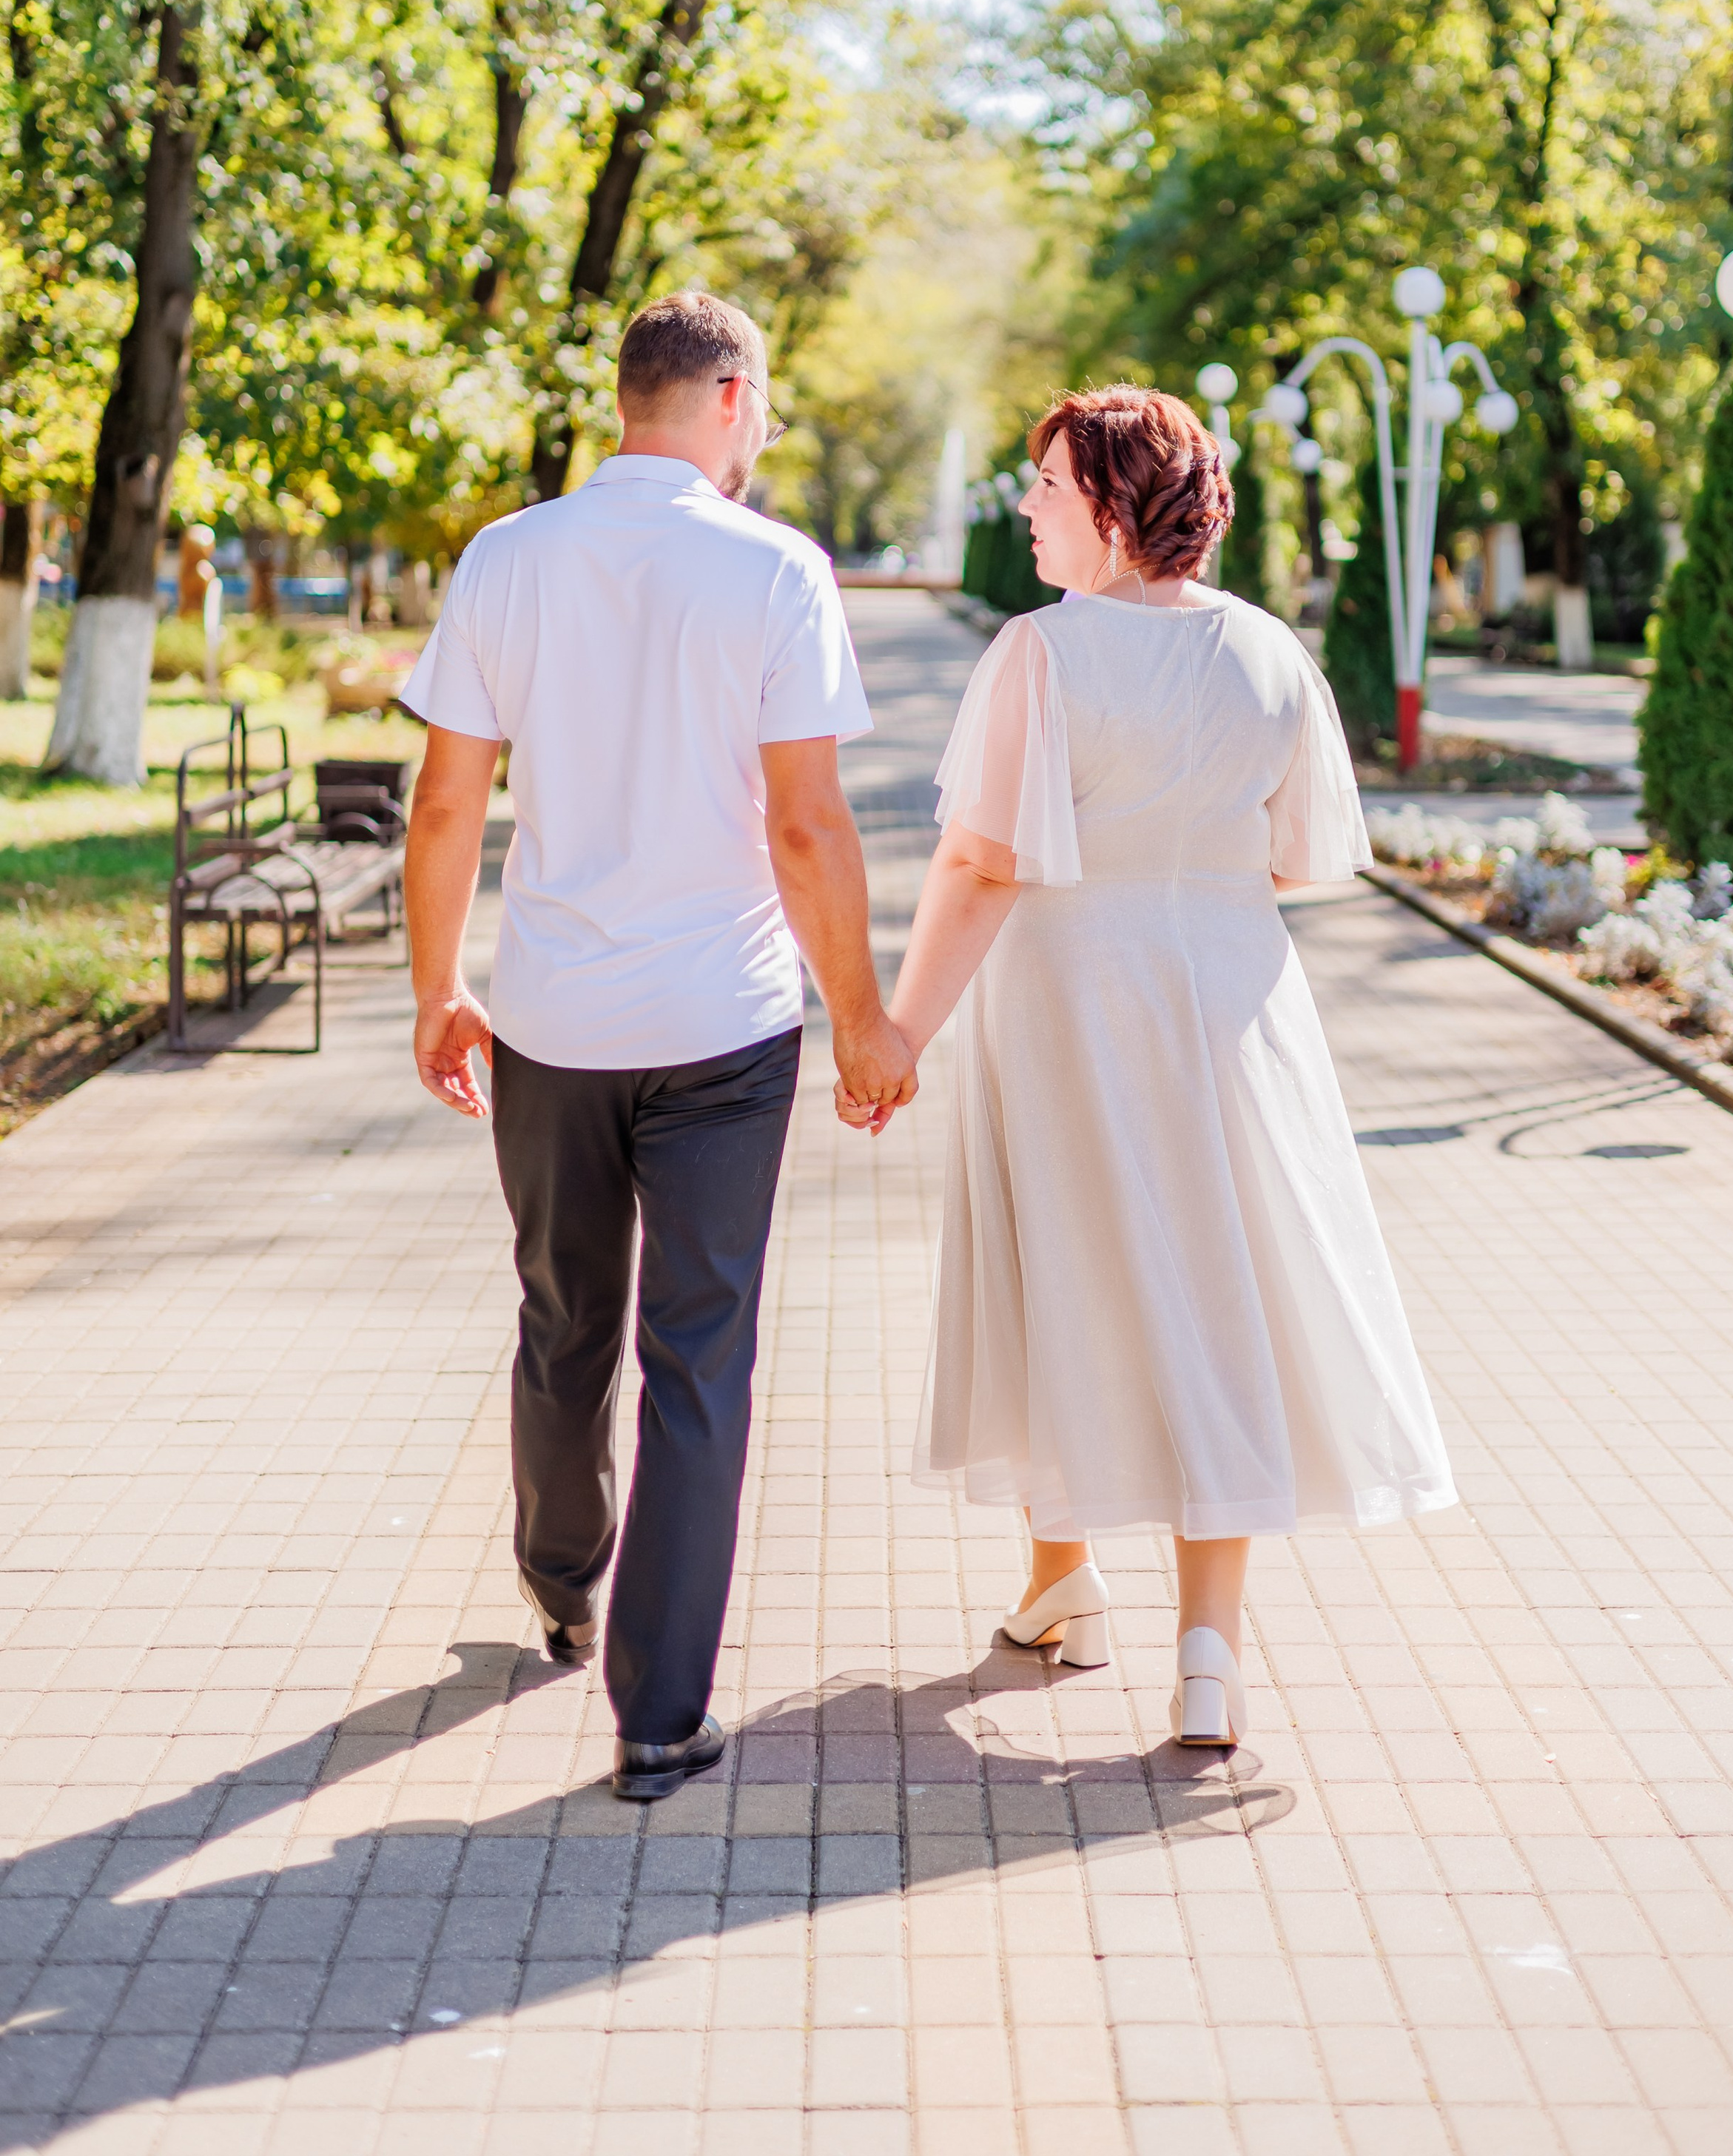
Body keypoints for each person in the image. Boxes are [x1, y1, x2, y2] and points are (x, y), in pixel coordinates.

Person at [841, 385, 1454, 1747]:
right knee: (1215, 1288)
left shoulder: (1041, 655)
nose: (1030, 508)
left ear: (1114, 511)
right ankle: (1198, 1651)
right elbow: (1305, 857)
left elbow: (980, 859)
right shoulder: (1273, 653)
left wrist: (898, 1035)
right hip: (1234, 1000)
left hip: (1067, 996)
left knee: (1059, 1265)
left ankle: (1070, 1576)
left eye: (1050, 487)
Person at [401, 290, 916, 1801]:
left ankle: (560, 1582)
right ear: (733, 397)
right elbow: (807, 822)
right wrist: (863, 1015)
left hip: (550, 1019)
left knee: (563, 1318)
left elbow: (446, 805)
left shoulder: (509, 557)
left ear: (628, 399)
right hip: (723, 1029)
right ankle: (657, 1714)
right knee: (698, 1356)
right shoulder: (772, 570)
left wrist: (438, 991)